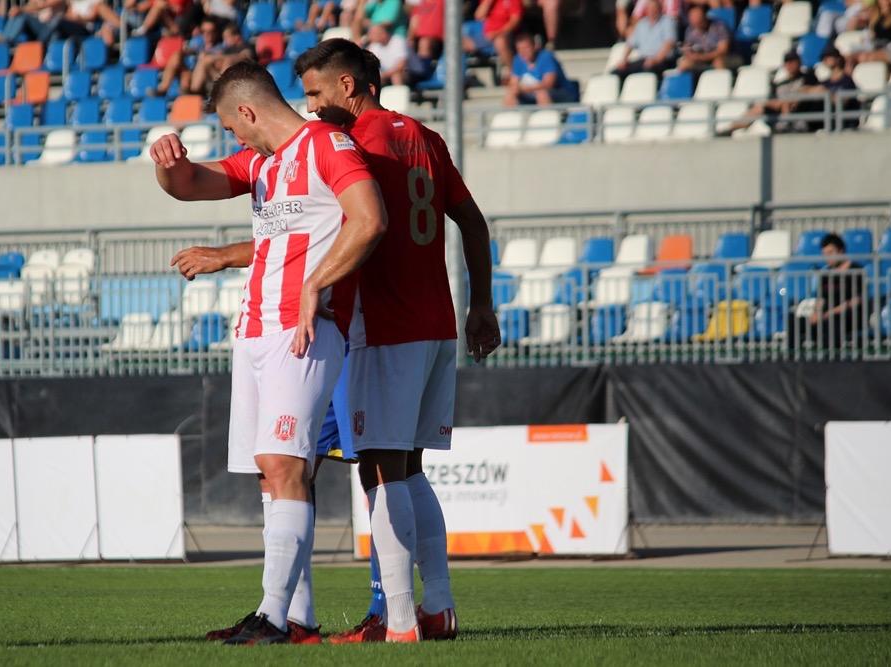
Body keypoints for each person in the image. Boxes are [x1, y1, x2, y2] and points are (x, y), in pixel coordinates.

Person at [152, 62, 387, 646]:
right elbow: (187, 185)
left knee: (285, 466)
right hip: (255, 329)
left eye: (232, 128)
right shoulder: (261, 162)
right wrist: (166, 164)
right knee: (270, 472)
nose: (234, 139)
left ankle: (273, 617)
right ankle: (295, 618)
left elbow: (370, 220)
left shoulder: (326, 145)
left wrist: (316, 285)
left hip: (303, 330)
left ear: (248, 112)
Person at [295, 39, 501, 642]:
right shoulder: (426, 138)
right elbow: (473, 222)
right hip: (436, 323)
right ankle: (439, 606)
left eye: (316, 93)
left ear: (348, 86)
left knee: (381, 472)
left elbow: (349, 228)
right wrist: (481, 304)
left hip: (384, 326)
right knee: (409, 470)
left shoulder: (351, 144)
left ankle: (400, 620)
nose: (311, 107)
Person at [787, 233, 865, 349]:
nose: (827, 257)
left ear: (841, 251)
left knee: (832, 323)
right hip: (825, 316)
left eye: (830, 253)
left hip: (847, 316)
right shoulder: (826, 273)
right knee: (794, 320)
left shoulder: (856, 270)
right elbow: (821, 299)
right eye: (824, 254)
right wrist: (816, 313)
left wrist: (827, 314)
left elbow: (856, 301)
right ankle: (793, 357)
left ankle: (830, 356)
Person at [727, 51, 820, 134]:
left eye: (792, 61)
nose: (789, 64)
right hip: (779, 115)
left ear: (799, 62)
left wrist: (788, 101)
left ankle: (786, 123)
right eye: (787, 62)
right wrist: (777, 103)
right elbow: (773, 101)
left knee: (788, 101)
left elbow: (811, 91)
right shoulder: (779, 84)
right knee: (760, 107)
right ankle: (730, 129)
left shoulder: (808, 77)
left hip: (802, 115)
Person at [504, 31, 575, 106]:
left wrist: (525, 89)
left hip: (561, 92)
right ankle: (509, 113)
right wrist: (514, 87)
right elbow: (514, 83)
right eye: (519, 49)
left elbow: (548, 84)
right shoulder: (517, 59)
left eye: (526, 48)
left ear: (534, 46)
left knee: (541, 93)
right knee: (511, 92)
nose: (523, 52)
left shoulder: (546, 57)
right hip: (532, 92)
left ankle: (545, 113)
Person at [615, 0, 676, 78]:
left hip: (662, 61)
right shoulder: (641, 24)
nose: (652, 11)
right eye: (649, 8)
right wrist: (624, 60)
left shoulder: (668, 21)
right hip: (643, 60)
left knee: (647, 71)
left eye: (654, 8)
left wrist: (656, 60)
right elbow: (630, 44)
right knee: (617, 72)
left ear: (660, 9)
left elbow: (669, 43)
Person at [677, 4, 735, 73]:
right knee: (684, 63)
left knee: (718, 62)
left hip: (723, 57)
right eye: (692, 17)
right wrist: (691, 55)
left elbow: (723, 50)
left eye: (698, 18)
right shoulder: (690, 30)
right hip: (701, 59)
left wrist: (702, 57)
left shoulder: (719, 26)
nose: (695, 20)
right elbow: (687, 49)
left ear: (704, 16)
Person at [475, 0, 524, 72]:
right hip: (484, 33)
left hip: (504, 33)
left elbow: (514, 21)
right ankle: (459, 75)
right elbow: (478, 16)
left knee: (500, 42)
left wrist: (496, 33)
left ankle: (515, 72)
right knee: (460, 40)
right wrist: (488, 2)